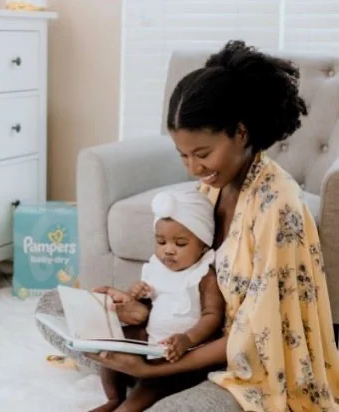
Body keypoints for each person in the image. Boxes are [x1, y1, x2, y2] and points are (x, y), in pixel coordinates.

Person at [85, 40, 339, 411]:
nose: (193, 168)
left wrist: (156, 370)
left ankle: (156, 382)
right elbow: (180, 276)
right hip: (188, 339)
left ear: (240, 132)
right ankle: (146, 373)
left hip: (252, 363)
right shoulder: (211, 187)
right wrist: (138, 305)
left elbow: (257, 334)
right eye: (183, 155)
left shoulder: (278, 207)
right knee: (62, 312)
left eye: (202, 154)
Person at [92, 189, 225, 412]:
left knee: (148, 387)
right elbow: (149, 305)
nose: (169, 251)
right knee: (111, 345)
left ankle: (126, 406)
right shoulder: (157, 267)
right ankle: (114, 398)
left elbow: (213, 315)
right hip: (151, 341)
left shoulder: (203, 275)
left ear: (203, 245)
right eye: (161, 242)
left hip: (178, 357)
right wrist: (136, 293)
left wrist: (187, 339)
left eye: (180, 244)